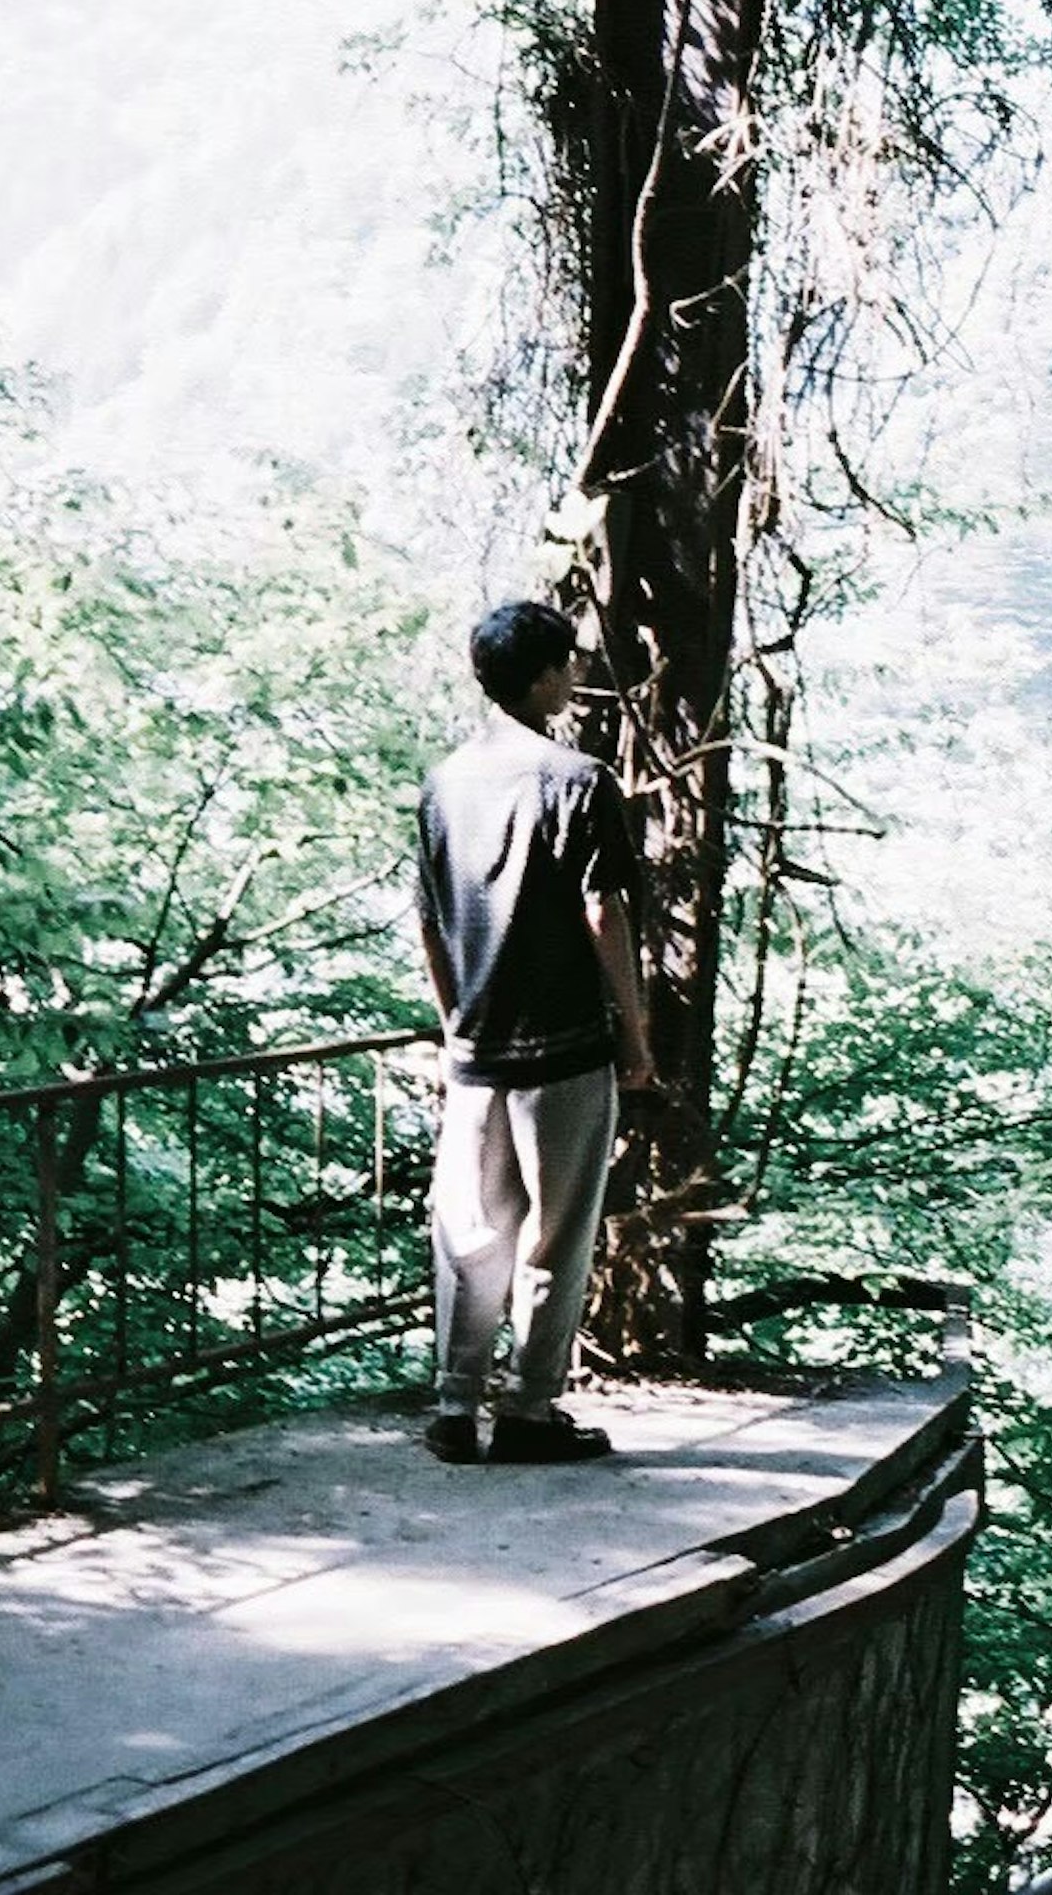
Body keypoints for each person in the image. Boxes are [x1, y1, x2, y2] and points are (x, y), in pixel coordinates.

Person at [412, 599, 658, 1465]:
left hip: (477, 1051)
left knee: (473, 1231)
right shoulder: (579, 780)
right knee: (556, 1235)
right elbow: (604, 913)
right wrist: (632, 1034)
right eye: (568, 662)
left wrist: (455, 1027)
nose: (576, 674)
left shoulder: (444, 782)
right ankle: (527, 1408)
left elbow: (431, 924)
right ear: (545, 674)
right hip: (563, 1048)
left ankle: (453, 1404)